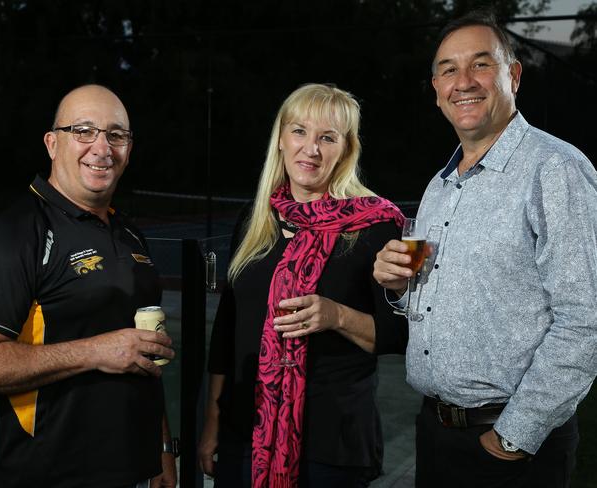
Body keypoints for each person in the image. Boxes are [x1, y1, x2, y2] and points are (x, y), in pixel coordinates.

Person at [373, 10, 597, 488]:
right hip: (434, 435)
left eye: (480, 64)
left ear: (512, 75)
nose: (463, 82)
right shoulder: (438, 186)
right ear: (436, 90)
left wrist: (515, 435)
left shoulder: (555, 170)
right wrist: (398, 287)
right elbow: (424, 300)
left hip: (510, 449)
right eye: (448, 69)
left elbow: (586, 319)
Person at [0, 84, 177, 488]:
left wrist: (161, 447)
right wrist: (96, 351)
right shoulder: (16, 235)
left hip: (133, 472)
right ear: (53, 143)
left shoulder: (128, 233)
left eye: (116, 134)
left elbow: (142, 353)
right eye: (84, 131)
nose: (102, 148)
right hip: (50, 476)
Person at [198, 83, 407, 488]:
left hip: (333, 448)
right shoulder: (256, 219)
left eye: (327, 138)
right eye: (300, 131)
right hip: (246, 438)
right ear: (280, 138)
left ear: (346, 149)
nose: (310, 149)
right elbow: (227, 332)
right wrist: (212, 421)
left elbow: (400, 335)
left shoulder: (376, 225)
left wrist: (337, 315)